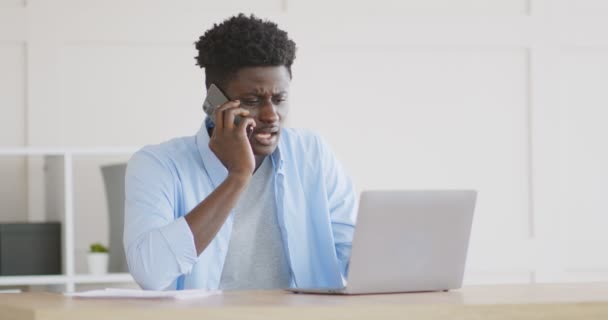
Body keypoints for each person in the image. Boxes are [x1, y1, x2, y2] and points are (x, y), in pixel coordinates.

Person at [124, 13, 357, 291]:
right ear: (215, 101)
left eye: (280, 99)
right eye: (252, 100)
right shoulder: (159, 165)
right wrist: (238, 176)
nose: (272, 115)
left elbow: (354, 255)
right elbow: (151, 272)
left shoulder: (312, 153)